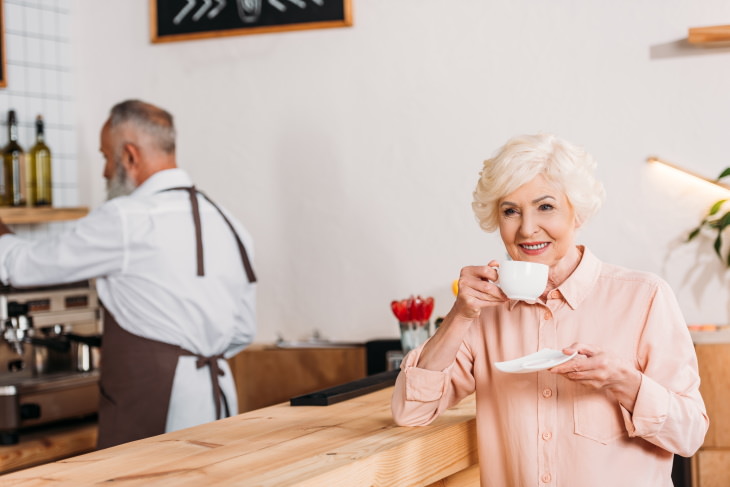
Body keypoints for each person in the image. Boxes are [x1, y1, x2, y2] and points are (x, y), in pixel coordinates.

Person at [391, 133, 708, 486]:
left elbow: (690, 434)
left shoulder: (644, 298)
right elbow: (411, 411)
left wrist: (623, 380)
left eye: (545, 207)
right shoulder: (483, 313)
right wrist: (459, 316)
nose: (527, 229)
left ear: (578, 212)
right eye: (510, 211)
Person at [0, 100, 257, 449]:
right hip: (219, 398)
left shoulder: (125, 219)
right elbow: (243, 331)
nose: (105, 172)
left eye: (106, 157)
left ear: (130, 156)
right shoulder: (227, 221)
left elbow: (24, 267)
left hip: (155, 403)